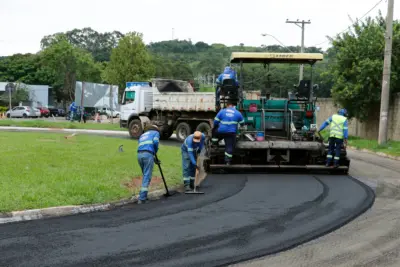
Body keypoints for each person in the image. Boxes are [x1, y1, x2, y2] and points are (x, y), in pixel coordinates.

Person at [212, 101, 245, 165]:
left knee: (214, 130)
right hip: (231, 133)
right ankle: (227, 161)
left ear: (227, 106)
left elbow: (215, 122)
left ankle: (215, 144)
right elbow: (242, 124)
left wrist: (219, 125)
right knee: (229, 146)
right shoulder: (238, 113)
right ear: (233, 106)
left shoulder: (222, 111)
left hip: (221, 131)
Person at [137, 124, 160, 204]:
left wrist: (153, 158)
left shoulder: (143, 135)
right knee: (147, 176)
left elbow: (143, 147)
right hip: (148, 155)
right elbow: (155, 143)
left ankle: (142, 194)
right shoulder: (156, 133)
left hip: (139, 155)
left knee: (145, 175)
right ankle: (142, 198)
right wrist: (154, 153)